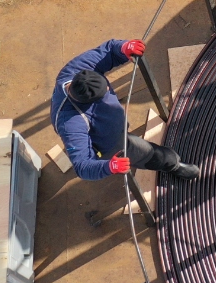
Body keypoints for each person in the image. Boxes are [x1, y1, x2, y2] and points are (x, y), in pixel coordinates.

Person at [51, 38, 200, 181]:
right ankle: (172, 164)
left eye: (105, 86)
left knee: (85, 142)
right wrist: (109, 167)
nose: (108, 89)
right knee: (147, 153)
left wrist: (124, 48)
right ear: (89, 103)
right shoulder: (70, 123)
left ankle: (84, 144)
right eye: (103, 93)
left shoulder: (77, 69)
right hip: (110, 141)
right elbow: (82, 166)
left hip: (111, 122)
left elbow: (109, 50)